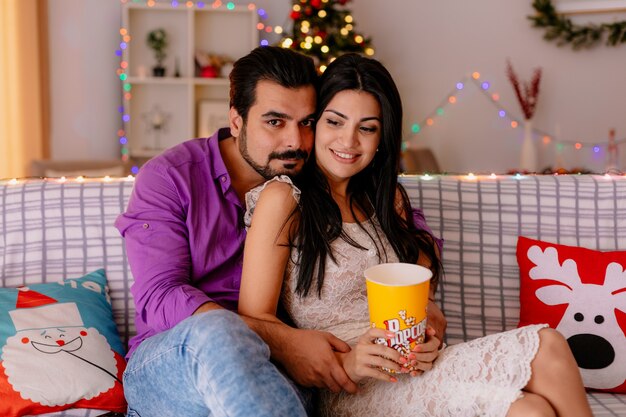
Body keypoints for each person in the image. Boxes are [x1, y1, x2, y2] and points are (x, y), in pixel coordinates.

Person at [238, 53, 594, 417]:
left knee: (547, 349)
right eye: (334, 121)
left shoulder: (386, 200)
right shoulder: (283, 199)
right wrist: (343, 360)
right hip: (353, 383)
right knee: (528, 411)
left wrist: (430, 326)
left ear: (382, 138)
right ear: (315, 124)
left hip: (416, 365)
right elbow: (253, 316)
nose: (349, 140)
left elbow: (419, 292)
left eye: (367, 127)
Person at [115, 46, 341, 417]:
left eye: (307, 122)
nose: (295, 142)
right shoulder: (170, 177)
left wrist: (424, 299)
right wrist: (285, 343)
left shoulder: (315, 172)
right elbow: (160, 295)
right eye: (275, 122)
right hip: (174, 361)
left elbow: (395, 216)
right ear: (236, 121)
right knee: (216, 331)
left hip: (270, 374)